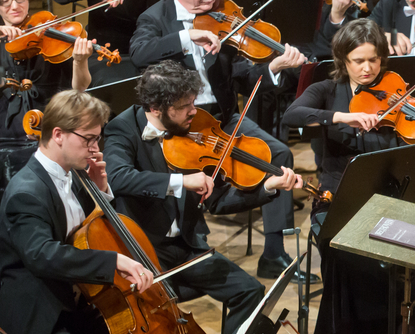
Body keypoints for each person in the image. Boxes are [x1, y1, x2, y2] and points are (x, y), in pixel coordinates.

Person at [129, 0, 315, 283]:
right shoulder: (154, 19)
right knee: (205, 179)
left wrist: (272, 67)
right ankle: (193, 247)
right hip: (179, 122)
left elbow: (243, 73)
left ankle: (274, 253)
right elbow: (139, 54)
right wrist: (187, 38)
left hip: (222, 116)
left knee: (279, 152)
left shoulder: (223, 16)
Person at [282, 18, 415, 334]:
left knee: (413, 260)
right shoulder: (326, 90)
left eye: (373, 60)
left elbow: (413, 143)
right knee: (346, 257)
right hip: (335, 200)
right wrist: (343, 117)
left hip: (388, 197)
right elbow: (292, 115)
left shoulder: (396, 93)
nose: (367, 69)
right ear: (342, 60)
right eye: (358, 61)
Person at [104, 60, 303, 334]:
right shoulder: (123, 128)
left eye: (193, 102)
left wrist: (269, 186)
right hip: (146, 250)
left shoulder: (194, 131)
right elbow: (118, 177)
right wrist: (180, 181)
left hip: (187, 248)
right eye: (184, 107)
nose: (193, 111)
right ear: (156, 108)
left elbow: (218, 201)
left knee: (251, 292)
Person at [0, 90, 153, 334]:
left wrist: (99, 191)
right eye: (89, 139)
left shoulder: (73, 174)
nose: (95, 148)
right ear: (58, 135)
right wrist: (114, 262)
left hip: (80, 300)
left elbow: (75, 228)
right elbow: (44, 254)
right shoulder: (26, 193)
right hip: (42, 314)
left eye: (97, 139)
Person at [0, 0, 93, 140]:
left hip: (51, 132)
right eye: (5, 1)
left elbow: (80, 87)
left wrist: (80, 61)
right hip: (5, 137)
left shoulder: (50, 36)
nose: (14, 6)